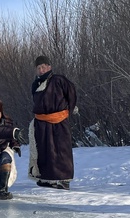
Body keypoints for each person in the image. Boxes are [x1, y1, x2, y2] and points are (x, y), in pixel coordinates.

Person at [29, 55, 77, 190]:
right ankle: (47, 179)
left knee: (62, 150)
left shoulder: (59, 80)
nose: (41, 70)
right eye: (38, 68)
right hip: (42, 122)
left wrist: (68, 111)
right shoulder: (35, 84)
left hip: (59, 121)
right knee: (45, 151)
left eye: (43, 67)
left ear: (49, 67)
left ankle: (64, 179)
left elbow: (71, 93)